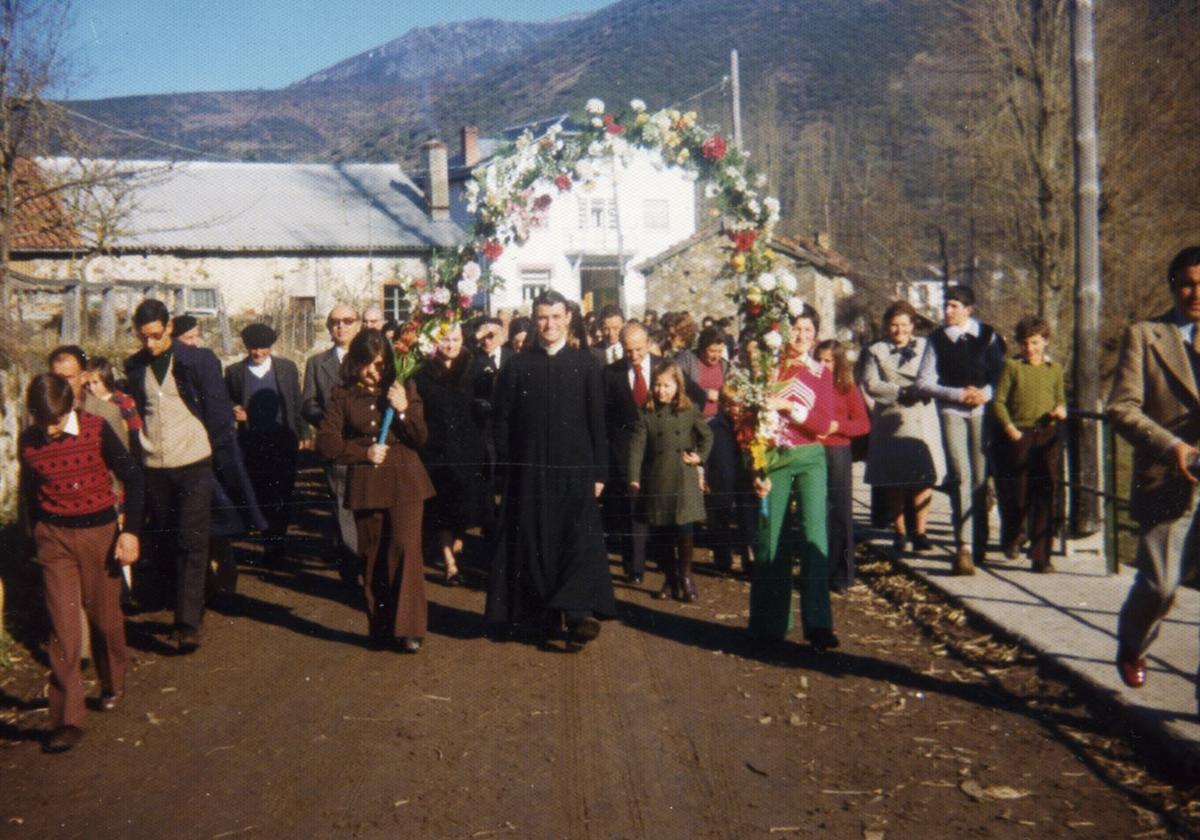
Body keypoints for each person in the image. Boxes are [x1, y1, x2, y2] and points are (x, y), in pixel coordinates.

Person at [124, 298, 263, 653]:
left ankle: (187, 623)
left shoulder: (197, 361)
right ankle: (187, 598)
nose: (150, 344)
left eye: (155, 336)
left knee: (192, 538)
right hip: (156, 464)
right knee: (168, 540)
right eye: (143, 338)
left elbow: (217, 413)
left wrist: (217, 457)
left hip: (194, 461)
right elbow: (143, 411)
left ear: (169, 327)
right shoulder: (136, 366)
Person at [18, 373, 144, 753]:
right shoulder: (29, 440)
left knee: (104, 618)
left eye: (55, 420)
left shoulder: (95, 428)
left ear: (70, 406)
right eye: (42, 421)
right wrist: (31, 539)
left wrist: (130, 532)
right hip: (54, 539)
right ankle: (67, 719)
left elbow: (133, 479)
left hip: (98, 535)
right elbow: (28, 494)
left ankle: (112, 680)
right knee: (64, 629)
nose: (50, 429)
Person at [487, 290, 614, 646]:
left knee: (576, 540)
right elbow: (502, 422)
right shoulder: (517, 366)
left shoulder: (586, 364)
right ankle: (543, 615)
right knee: (535, 541)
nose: (550, 324)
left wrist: (600, 473)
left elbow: (597, 423)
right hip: (529, 474)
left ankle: (576, 616)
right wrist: (505, 471)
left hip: (575, 471)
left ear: (568, 318)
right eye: (543, 317)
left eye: (556, 317)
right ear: (534, 319)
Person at [1107, 245, 1200, 693]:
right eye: (1186, 282)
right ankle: (1133, 643)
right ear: (1172, 285)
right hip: (1170, 480)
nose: (1195, 292)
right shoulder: (1146, 336)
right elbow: (1122, 408)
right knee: (1161, 586)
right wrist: (1172, 445)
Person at [316, 329, 434, 652]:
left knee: (405, 548)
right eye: (367, 364)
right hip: (367, 483)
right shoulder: (342, 394)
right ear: (355, 362)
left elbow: (421, 436)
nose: (373, 371)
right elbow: (326, 443)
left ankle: (409, 629)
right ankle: (381, 627)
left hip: (405, 479)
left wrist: (404, 409)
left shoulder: (402, 386)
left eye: (380, 364)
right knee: (371, 556)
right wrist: (361, 453)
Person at [749, 305, 839, 650]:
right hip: (774, 458)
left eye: (808, 331)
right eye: (797, 329)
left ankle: (818, 625)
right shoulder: (770, 368)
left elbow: (824, 423)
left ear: (816, 336)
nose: (802, 336)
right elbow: (750, 422)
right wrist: (755, 467)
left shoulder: (821, 373)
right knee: (772, 538)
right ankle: (770, 624)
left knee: (815, 535)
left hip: (810, 458)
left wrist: (788, 407)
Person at [914, 285, 1006, 575]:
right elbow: (923, 382)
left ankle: (980, 540)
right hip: (952, 411)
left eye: (954, 306)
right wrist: (956, 394)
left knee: (980, 476)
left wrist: (985, 394)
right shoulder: (937, 340)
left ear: (969, 309)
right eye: (946, 305)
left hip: (981, 411)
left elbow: (1001, 375)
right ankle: (962, 546)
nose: (947, 311)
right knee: (960, 474)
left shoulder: (988, 337)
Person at [861, 301, 946, 555]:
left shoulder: (926, 347)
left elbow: (936, 376)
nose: (899, 330)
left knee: (923, 477)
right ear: (887, 326)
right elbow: (871, 383)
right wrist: (899, 391)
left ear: (913, 326)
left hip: (921, 415)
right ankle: (899, 532)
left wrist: (920, 389)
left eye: (904, 325)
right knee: (894, 479)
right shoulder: (876, 350)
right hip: (892, 417)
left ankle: (920, 531)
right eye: (894, 325)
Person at [414, 322, 493, 585]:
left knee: (464, 507)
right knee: (442, 508)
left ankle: (457, 543)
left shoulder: (475, 368)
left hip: (469, 448)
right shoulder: (423, 374)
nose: (450, 345)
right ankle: (450, 564)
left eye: (456, 339)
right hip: (436, 451)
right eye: (445, 339)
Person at [628, 361, 713, 601]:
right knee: (662, 530)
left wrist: (700, 457)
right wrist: (634, 480)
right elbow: (636, 449)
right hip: (657, 479)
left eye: (667, 385)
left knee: (685, 528)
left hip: (683, 478)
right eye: (657, 385)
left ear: (678, 385)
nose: (661, 390)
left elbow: (707, 436)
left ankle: (686, 575)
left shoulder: (689, 410)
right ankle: (669, 577)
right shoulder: (646, 412)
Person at [225, 323, 308, 567]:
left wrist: (303, 432)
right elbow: (227, 399)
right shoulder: (235, 372)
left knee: (282, 494)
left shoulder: (286, 368)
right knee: (259, 494)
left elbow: (296, 401)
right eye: (253, 348)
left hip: (283, 441)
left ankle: (277, 545)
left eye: (263, 348)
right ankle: (267, 540)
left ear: (271, 347)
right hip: (252, 444)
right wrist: (234, 410)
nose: (258, 353)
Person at [992, 315, 1067, 571]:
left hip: (1047, 435)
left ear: (1045, 342)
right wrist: (1010, 428)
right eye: (1025, 343)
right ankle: (1013, 535)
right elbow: (999, 401)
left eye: (1035, 343)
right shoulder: (1012, 367)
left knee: (1045, 491)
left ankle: (1041, 556)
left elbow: (1059, 398)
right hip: (1019, 434)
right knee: (1020, 494)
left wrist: (1060, 409)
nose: (1030, 349)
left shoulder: (1054, 369)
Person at [302, 304, 362, 585]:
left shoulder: (370, 358)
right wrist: (328, 424)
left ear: (358, 325)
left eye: (348, 321)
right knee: (342, 504)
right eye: (335, 322)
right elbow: (308, 403)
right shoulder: (317, 363)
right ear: (328, 327)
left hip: (367, 444)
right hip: (335, 445)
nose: (341, 326)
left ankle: (367, 560)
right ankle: (352, 566)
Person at [815, 339, 871, 593]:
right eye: (820, 360)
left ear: (838, 363)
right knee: (817, 510)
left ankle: (842, 573)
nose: (823, 365)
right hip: (813, 448)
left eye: (828, 361)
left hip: (837, 449)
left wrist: (839, 426)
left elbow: (863, 424)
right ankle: (818, 569)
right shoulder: (809, 384)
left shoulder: (846, 387)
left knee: (840, 511)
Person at [601, 321, 655, 584]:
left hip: (658, 448)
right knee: (632, 506)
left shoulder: (664, 367)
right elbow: (604, 415)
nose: (634, 356)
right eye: (628, 350)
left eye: (639, 350)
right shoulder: (611, 374)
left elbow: (694, 398)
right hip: (624, 451)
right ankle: (635, 567)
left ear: (648, 343)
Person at [679, 327, 734, 570]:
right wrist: (703, 394)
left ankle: (722, 549)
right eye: (711, 351)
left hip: (717, 424)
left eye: (719, 351)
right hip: (692, 425)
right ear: (702, 348)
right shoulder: (687, 360)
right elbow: (679, 382)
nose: (715, 356)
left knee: (722, 481)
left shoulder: (724, 365)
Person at [48, 346, 128, 450]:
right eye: (55, 378)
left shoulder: (108, 413)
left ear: (83, 377)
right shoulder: (40, 414)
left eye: (68, 378)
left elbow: (122, 462)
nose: (61, 384)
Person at [84, 356, 143, 442]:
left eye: (95, 382)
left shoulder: (124, 402)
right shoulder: (86, 404)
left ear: (106, 379)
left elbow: (136, 432)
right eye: (88, 384)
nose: (91, 388)